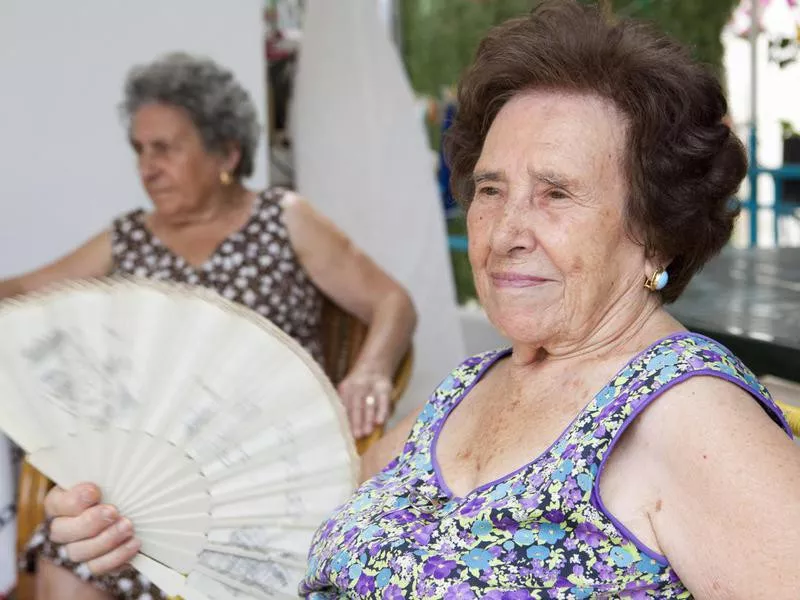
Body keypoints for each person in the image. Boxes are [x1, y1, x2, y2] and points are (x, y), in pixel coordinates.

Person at [40, 2, 800, 598]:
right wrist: (110, 530)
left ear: (656, 233)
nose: (504, 231)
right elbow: (281, 539)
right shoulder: (468, 388)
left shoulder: (688, 415)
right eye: (490, 190)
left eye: (556, 194)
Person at [2, 52, 415, 600]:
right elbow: (27, 296)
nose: (147, 167)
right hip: (147, 488)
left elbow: (392, 301)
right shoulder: (128, 236)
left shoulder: (282, 219)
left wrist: (372, 371)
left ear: (227, 151)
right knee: (69, 558)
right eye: (140, 150)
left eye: (165, 148)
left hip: (266, 484)